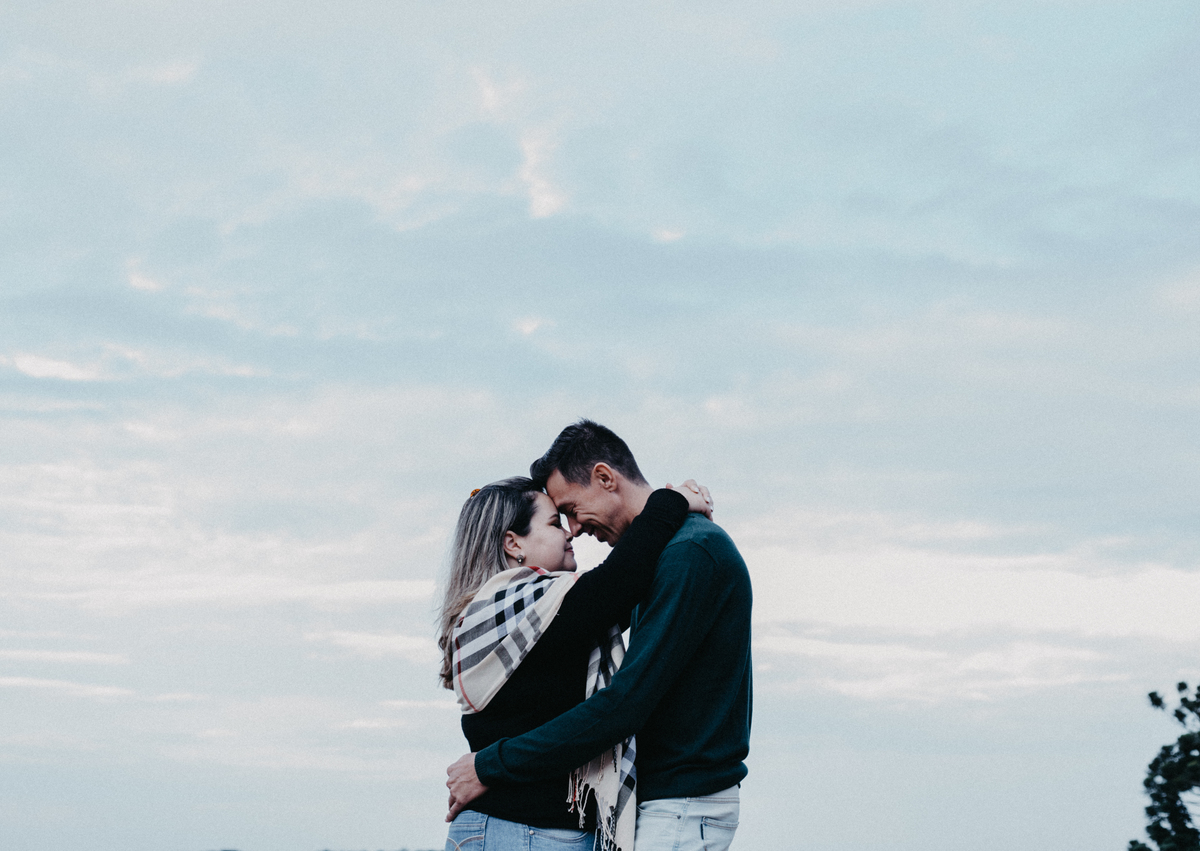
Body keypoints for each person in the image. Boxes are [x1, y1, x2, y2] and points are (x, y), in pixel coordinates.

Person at [446, 420, 752, 851]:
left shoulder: (686, 553)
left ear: (606, 478)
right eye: (557, 521)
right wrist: (672, 501)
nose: (572, 529)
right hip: (523, 827)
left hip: (676, 806)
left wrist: (489, 766)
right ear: (513, 544)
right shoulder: (528, 609)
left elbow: (623, 698)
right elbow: (615, 585)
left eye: (569, 510)